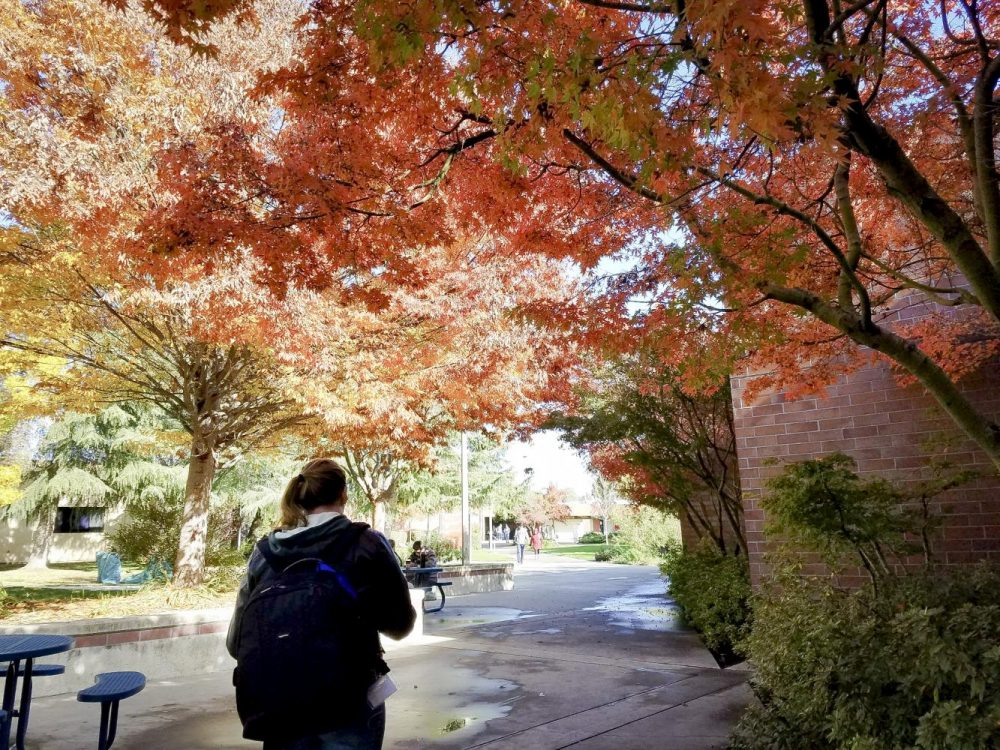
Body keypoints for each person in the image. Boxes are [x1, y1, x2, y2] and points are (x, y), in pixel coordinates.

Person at [227, 458, 416, 750]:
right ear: (343, 495)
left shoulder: (265, 553)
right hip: (349, 703)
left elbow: (235, 642)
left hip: (279, 703)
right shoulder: (367, 544)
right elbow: (401, 625)